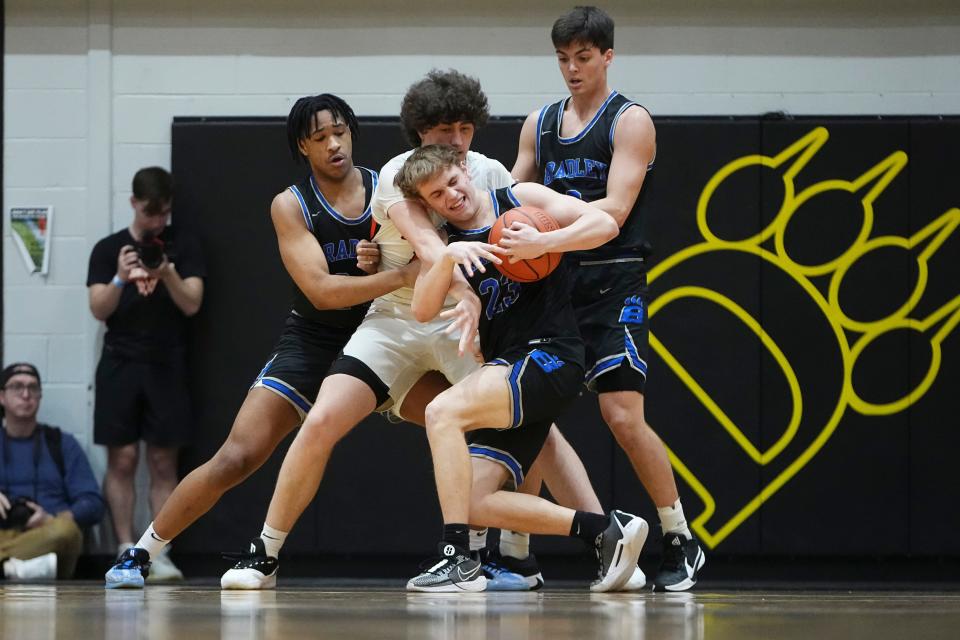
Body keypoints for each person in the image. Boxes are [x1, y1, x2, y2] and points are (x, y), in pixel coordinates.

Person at [222, 69, 628, 592]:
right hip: (402, 314)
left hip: (467, 319)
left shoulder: (491, 173)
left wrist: (537, 251)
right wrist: (463, 293)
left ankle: (589, 548)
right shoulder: (396, 173)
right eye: (441, 132)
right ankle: (267, 551)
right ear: (418, 132)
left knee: (537, 429)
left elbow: (525, 229)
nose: (455, 143)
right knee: (322, 418)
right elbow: (429, 245)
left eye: (463, 129)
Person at [103, 94, 417, 589]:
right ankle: (140, 553)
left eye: (341, 131)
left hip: (385, 336)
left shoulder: (390, 190)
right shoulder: (290, 205)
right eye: (320, 137)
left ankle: (499, 554)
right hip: (315, 340)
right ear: (303, 146)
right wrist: (396, 278)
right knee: (236, 456)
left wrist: (391, 267)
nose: (335, 143)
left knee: (460, 419)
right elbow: (321, 291)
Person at [512, 6, 706, 591]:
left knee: (622, 416)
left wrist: (547, 234)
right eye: (563, 59)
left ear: (608, 56)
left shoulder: (631, 121)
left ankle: (678, 535)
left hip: (612, 279)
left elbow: (615, 215)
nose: (572, 69)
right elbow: (512, 196)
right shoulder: (539, 124)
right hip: (552, 285)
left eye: (584, 57)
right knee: (531, 417)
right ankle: (517, 553)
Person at [396, 143, 647, 592]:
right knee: (474, 501)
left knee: (441, 412)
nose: (451, 196)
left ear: (465, 171)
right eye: (437, 195)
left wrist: (546, 241)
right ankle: (605, 533)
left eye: (453, 182)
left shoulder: (520, 198)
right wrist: (447, 260)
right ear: (429, 204)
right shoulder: (451, 248)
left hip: (550, 354)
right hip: (509, 367)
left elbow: (606, 223)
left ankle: (456, 559)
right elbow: (420, 309)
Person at [87, 166, 205, 581]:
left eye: (164, 214)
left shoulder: (182, 245)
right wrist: (121, 276)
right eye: (151, 213)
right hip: (120, 362)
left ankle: (157, 551)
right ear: (134, 203)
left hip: (167, 362)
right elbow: (99, 309)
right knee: (121, 459)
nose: (158, 222)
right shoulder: (108, 249)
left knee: (162, 460)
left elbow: (192, 303)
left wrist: (166, 271)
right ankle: (124, 547)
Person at [0, 363, 105, 581]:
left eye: (33, 388)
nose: (26, 394)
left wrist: (51, 517)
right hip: (3, 534)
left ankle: (7, 569)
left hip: (47, 537)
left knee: (67, 530)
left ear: (39, 396)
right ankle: (13, 570)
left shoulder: (61, 443)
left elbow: (93, 504)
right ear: (2, 396)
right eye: (17, 387)